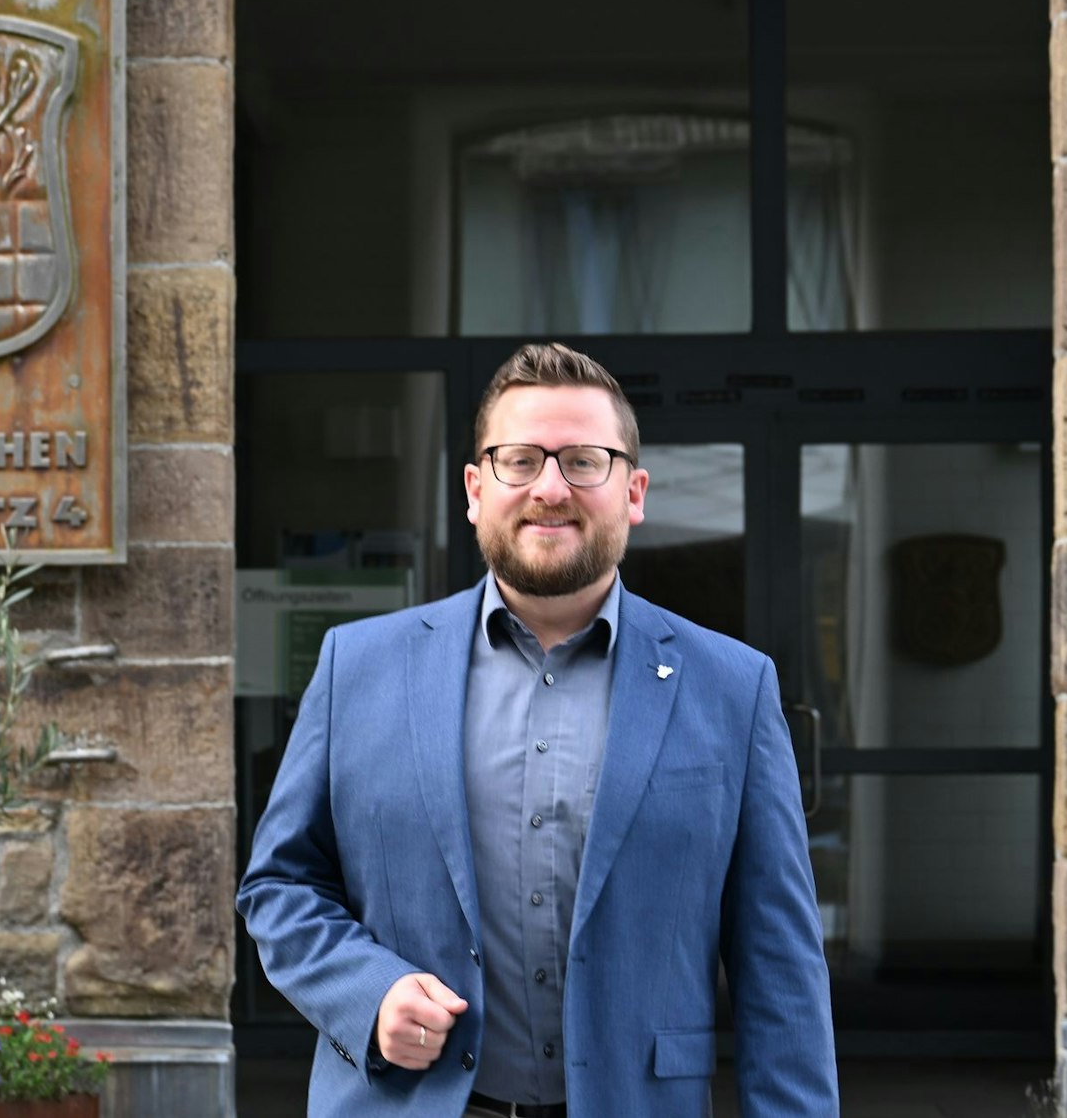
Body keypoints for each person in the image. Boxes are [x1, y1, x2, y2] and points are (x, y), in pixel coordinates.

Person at [236, 343, 836, 1117]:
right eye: (521, 460)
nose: (551, 488)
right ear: (476, 490)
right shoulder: (359, 667)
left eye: (585, 460)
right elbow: (280, 886)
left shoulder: (732, 687)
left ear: (634, 491)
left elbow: (781, 966)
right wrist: (369, 993)